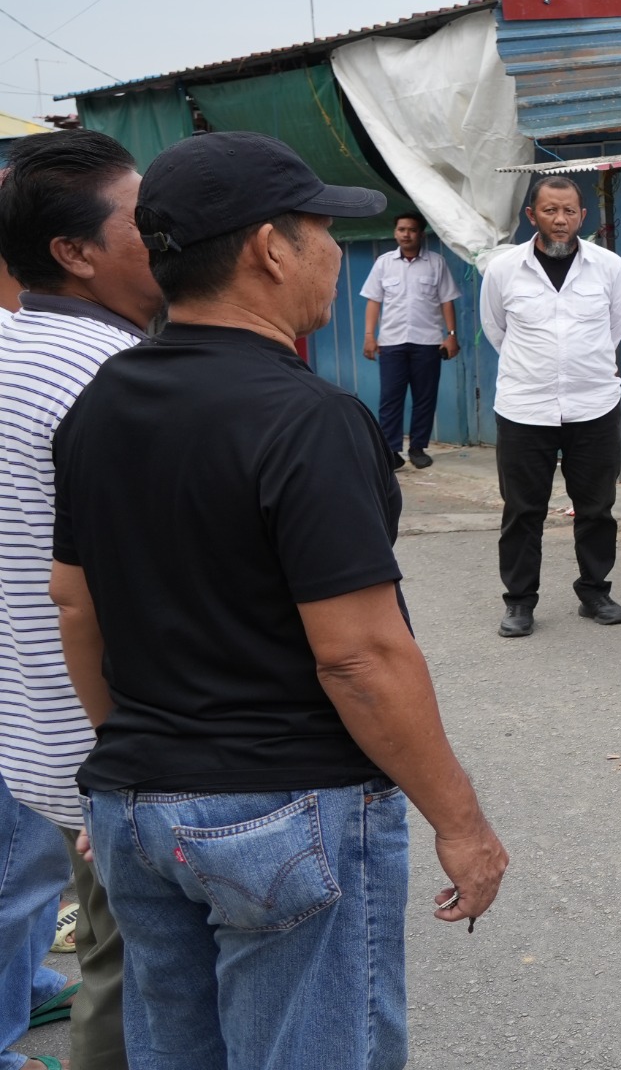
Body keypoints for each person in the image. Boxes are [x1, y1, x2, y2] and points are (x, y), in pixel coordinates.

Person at [48, 131, 507, 1069]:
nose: (338, 253)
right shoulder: (310, 419)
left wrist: (126, 768)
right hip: (283, 812)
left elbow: (76, 607)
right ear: (268, 247)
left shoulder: (103, 401)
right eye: (322, 230)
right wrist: (463, 825)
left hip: (136, 809)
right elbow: (359, 655)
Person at [0, 129, 160, 1070]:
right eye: (141, 220)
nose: (166, 233)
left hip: (36, 731)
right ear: (75, 252)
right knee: (135, 971)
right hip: (104, 744)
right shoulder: (107, 381)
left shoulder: (16, 349)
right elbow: (101, 599)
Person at [482, 176, 621, 638]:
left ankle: (595, 592)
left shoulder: (608, 267)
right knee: (523, 510)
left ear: (583, 217)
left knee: (596, 507)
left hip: (594, 405)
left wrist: (579, 370)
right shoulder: (504, 270)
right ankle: (520, 602)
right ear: (532, 216)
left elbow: (615, 327)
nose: (560, 220)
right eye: (550, 211)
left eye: (569, 211)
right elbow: (496, 330)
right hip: (526, 408)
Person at [360, 211, 459, 469]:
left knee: (424, 396)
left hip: (427, 341)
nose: (406, 234)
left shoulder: (436, 263)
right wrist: (370, 336)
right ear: (395, 233)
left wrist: (451, 336)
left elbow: (446, 301)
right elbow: (374, 301)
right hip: (391, 342)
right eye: (401, 229)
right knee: (390, 398)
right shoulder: (383, 263)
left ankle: (417, 448)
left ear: (420, 234)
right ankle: (391, 450)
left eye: (411, 230)